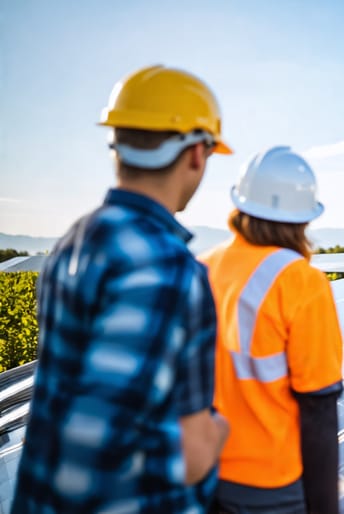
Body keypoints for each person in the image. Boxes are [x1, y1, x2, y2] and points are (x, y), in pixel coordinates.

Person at [12, 65, 231, 512]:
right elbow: (183, 458)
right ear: (196, 153)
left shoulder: (74, 240)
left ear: (118, 148)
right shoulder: (168, 268)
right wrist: (215, 436)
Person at [200, 146, 344, 513]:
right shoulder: (301, 281)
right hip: (269, 486)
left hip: (200, 472)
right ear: (303, 218)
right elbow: (319, 412)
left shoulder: (201, 266)